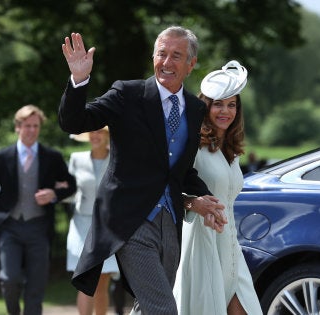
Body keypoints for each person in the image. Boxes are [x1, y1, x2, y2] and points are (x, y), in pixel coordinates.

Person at [58, 26, 228, 314]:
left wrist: (205, 200)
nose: (167, 62)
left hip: (170, 222)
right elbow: (75, 122)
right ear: (153, 57)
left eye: (176, 55)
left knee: (146, 307)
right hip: (130, 222)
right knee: (163, 308)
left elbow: (178, 170)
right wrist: (79, 79)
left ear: (191, 64)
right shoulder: (128, 94)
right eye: (161, 54)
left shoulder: (195, 109)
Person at [173, 60, 263, 315]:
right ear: (206, 105)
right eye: (219, 104)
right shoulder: (193, 145)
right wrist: (192, 203)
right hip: (202, 242)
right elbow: (168, 188)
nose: (226, 111)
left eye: (232, 104)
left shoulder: (232, 152)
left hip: (230, 245)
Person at [0, 104, 77, 315]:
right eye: (27, 126)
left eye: (35, 126)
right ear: (17, 127)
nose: (32, 130)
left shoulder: (52, 157)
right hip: (9, 227)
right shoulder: (2, 157)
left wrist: (54, 194)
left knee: (36, 285)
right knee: (10, 278)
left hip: (39, 228)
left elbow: (71, 185)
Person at [66, 127, 119, 315]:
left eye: (100, 132)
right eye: (93, 132)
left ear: (108, 135)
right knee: (84, 280)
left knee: (102, 279)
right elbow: (68, 192)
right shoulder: (76, 159)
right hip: (82, 225)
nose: (95, 136)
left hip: (108, 227)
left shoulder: (119, 158)